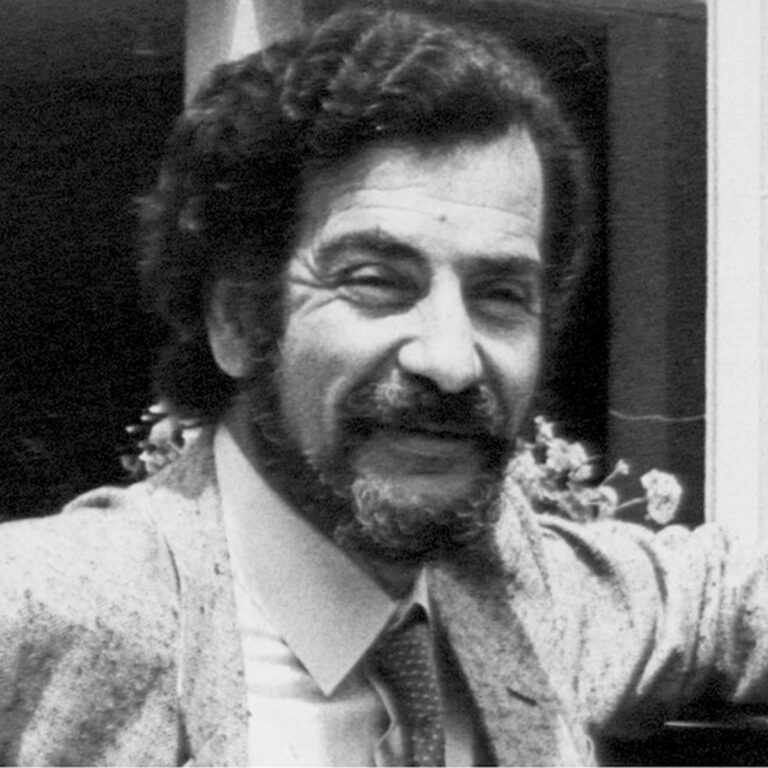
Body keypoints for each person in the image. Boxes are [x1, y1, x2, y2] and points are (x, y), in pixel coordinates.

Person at [1, 6, 767, 766]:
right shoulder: (45, 616)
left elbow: (721, 599)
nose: (451, 360)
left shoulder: (524, 592)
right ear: (236, 318)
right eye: (376, 282)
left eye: (501, 294)